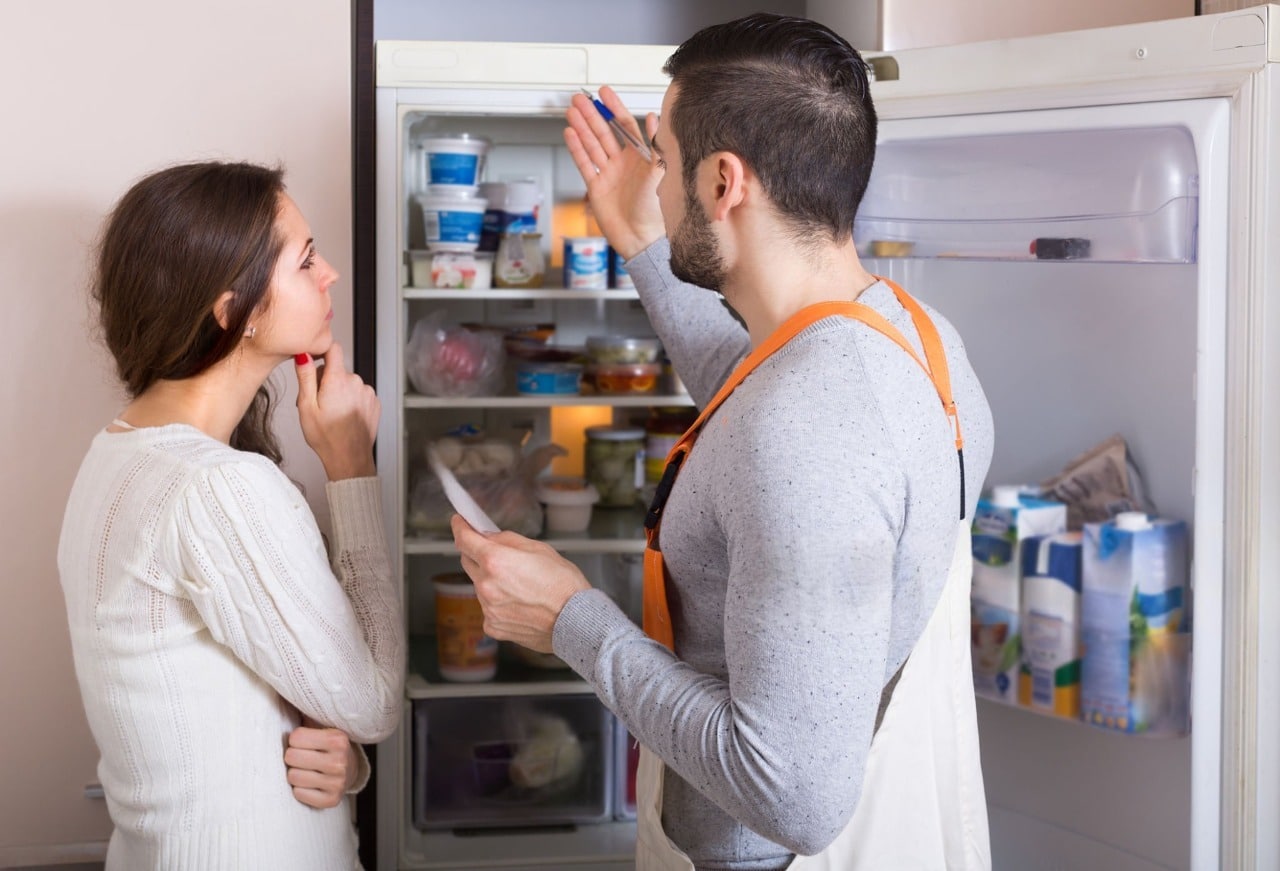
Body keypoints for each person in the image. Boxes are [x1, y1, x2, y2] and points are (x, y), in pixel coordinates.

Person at [452, 13, 996, 871]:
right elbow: (755, 394)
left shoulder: (806, 436)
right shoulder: (919, 341)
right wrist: (638, 237)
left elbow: (793, 797)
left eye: (662, 159)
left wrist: (570, 618)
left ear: (723, 182)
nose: (654, 180)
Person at [58, 161, 404, 871]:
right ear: (233, 311)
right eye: (306, 260)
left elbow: (235, 707)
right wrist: (351, 467)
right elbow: (372, 702)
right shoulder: (217, 489)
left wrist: (347, 767)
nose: (329, 273)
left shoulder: (117, 454)